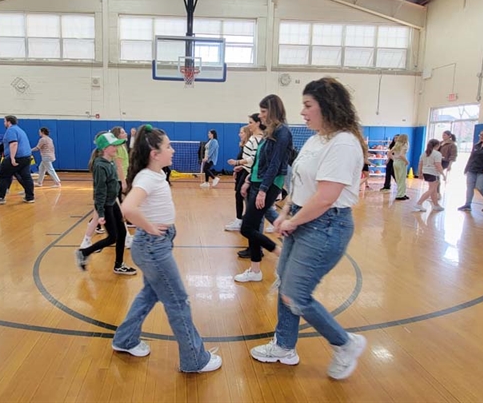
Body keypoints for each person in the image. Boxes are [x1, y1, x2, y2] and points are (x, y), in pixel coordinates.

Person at [250, 77, 367, 381]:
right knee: (284, 283)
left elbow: (326, 197)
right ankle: (284, 346)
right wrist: (287, 211)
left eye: (307, 105)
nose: (302, 112)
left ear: (327, 107)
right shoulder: (317, 138)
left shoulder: (343, 143)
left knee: (296, 294)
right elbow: (299, 181)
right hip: (304, 217)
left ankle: (345, 343)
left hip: (326, 226)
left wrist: (292, 221)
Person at [112, 124, 222, 373]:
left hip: (155, 246)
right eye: (168, 146)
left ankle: (124, 340)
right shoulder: (147, 177)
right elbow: (128, 209)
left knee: (148, 295)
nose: (172, 150)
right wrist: (150, 227)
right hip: (153, 247)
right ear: (154, 153)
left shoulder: (156, 173)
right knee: (178, 301)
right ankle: (195, 359)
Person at [235, 94, 291, 283]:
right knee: (251, 226)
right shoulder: (270, 131)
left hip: (269, 184)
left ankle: (281, 254)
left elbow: (275, 164)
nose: (261, 116)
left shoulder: (283, 132)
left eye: (264, 112)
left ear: (274, 111)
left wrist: (263, 190)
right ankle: (255, 269)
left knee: (247, 228)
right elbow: (259, 160)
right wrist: (249, 180)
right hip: (258, 181)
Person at [74, 132, 137, 275]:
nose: (116, 148)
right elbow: (99, 192)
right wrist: (101, 213)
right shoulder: (100, 166)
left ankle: (119, 265)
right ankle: (84, 253)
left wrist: (118, 206)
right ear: (105, 148)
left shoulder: (111, 162)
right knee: (113, 237)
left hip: (112, 203)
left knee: (121, 233)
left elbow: (112, 188)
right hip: (106, 206)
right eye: (113, 146)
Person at [0, 115, 35, 204]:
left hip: (17, 157)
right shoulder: (20, 130)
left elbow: (14, 144)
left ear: (9, 122)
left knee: (3, 175)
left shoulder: (11, 130)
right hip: (26, 157)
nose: (4, 123)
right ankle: (30, 197)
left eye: (4, 121)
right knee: (26, 177)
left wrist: (12, 158)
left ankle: (0, 197)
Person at [413, 139, 446, 212]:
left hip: (426, 172)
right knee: (431, 189)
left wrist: (420, 173)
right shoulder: (437, 154)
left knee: (433, 189)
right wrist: (443, 174)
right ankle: (419, 203)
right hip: (433, 173)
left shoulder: (424, 153)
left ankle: (436, 205)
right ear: (437, 146)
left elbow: (420, 164)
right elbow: (438, 165)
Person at [391, 134, 409, 201]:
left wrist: (394, 159)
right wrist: (407, 161)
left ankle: (402, 193)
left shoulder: (396, 145)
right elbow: (401, 155)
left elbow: (389, 153)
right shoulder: (404, 145)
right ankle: (400, 195)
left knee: (398, 178)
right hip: (401, 162)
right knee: (402, 178)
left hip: (395, 162)